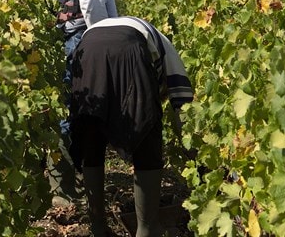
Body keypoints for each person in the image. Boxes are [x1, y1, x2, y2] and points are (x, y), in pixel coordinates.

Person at [51, 0, 149, 205]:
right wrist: (102, 40)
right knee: (72, 104)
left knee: (87, 103)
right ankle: (62, 188)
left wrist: (116, 30)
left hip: (88, 32)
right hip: (76, 33)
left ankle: (78, 176)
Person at [69, 16, 193, 236]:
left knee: (91, 137)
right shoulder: (168, 51)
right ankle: (147, 229)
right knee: (147, 134)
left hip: (86, 50)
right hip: (128, 49)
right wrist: (191, 148)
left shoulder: (143, 34)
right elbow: (182, 102)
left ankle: (98, 227)